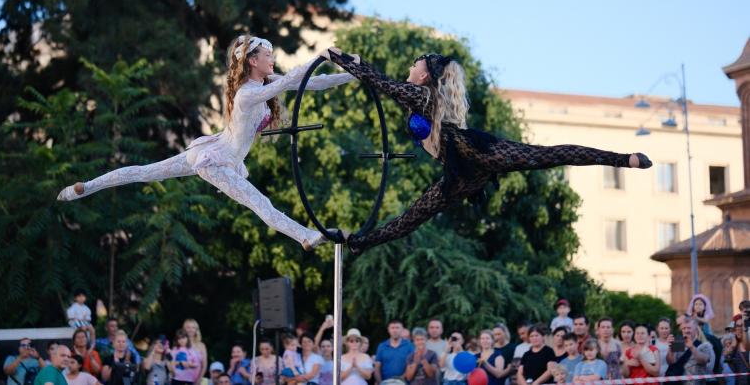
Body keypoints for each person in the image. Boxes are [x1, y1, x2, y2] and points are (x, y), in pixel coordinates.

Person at [322, 48, 652, 253]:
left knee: (544, 155)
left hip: (471, 151)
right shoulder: (422, 95)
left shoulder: (421, 95)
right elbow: (380, 80)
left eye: (415, 64)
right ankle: (361, 243)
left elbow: (383, 84)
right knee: (415, 214)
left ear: (423, 75)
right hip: (461, 171)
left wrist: (339, 58)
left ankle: (624, 159)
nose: (410, 67)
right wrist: (356, 62)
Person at [57, 37, 354, 250]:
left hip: (216, 152)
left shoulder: (262, 84)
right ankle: (305, 235)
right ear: (253, 61)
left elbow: (310, 83)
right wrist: (319, 56)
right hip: (216, 160)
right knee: (258, 202)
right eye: (267, 54)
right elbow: (289, 80)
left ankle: (85, 188)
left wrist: (350, 77)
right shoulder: (247, 94)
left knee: (145, 172)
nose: (272, 58)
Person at [666, 317, 715, 385]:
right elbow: (671, 362)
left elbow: (703, 360)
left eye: (689, 328)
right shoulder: (679, 342)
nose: (686, 331)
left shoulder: (704, 344)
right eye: (684, 328)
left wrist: (692, 347)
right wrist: (670, 348)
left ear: (695, 328)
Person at [375, 320, 414, 385]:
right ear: (388, 330)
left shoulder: (409, 346)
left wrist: (400, 379)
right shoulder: (382, 346)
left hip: (403, 382)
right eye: (392, 328)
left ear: (402, 329)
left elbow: (412, 365)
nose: (395, 330)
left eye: (397, 328)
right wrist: (380, 382)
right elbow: (377, 367)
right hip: (385, 382)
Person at [183, 320, 208, 385]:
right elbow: (173, 360)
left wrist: (199, 379)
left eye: (193, 327)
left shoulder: (201, 346)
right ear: (184, 329)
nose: (190, 330)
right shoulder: (179, 344)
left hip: (197, 380)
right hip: (182, 379)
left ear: (196, 330)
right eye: (188, 327)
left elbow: (204, 365)